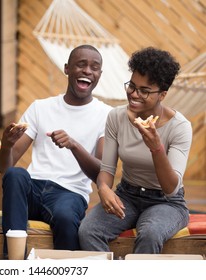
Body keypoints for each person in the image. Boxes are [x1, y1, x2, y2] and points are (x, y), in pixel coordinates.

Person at [0, 44, 112, 256]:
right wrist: (6, 145)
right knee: (15, 174)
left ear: (99, 75)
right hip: (33, 187)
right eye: (81, 65)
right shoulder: (40, 107)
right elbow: (4, 167)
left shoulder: (106, 115)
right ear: (67, 69)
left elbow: (102, 173)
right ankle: (13, 262)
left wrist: (74, 145)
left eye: (94, 67)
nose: (88, 71)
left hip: (70, 193)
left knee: (66, 217)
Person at [78, 47, 192, 254]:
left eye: (144, 91)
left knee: (150, 233)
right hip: (128, 195)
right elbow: (107, 168)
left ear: (162, 95)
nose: (134, 94)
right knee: (88, 230)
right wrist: (103, 188)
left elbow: (171, 188)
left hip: (166, 203)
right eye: (132, 85)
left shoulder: (179, 127)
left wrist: (156, 148)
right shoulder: (116, 117)